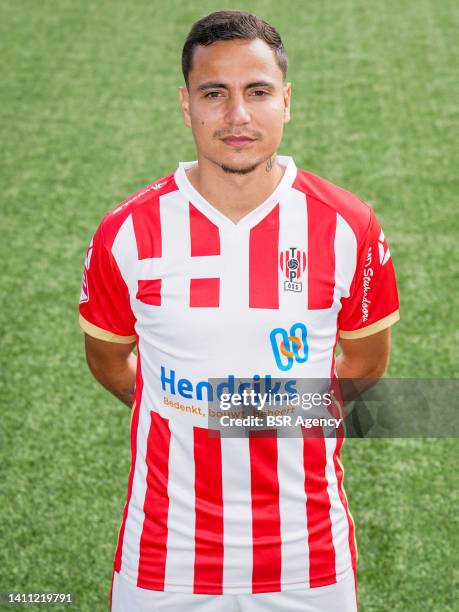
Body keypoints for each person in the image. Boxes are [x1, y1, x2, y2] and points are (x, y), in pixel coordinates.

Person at [78, 10, 399, 612]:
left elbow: (364, 363)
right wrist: (184, 405)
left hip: (309, 558)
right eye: (214, 94)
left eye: (257, 92)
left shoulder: (348, 226)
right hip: (163, 559)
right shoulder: (127, 233)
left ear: (287, 100)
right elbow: (110, 360)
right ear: (186, 103)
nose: (237, 116)